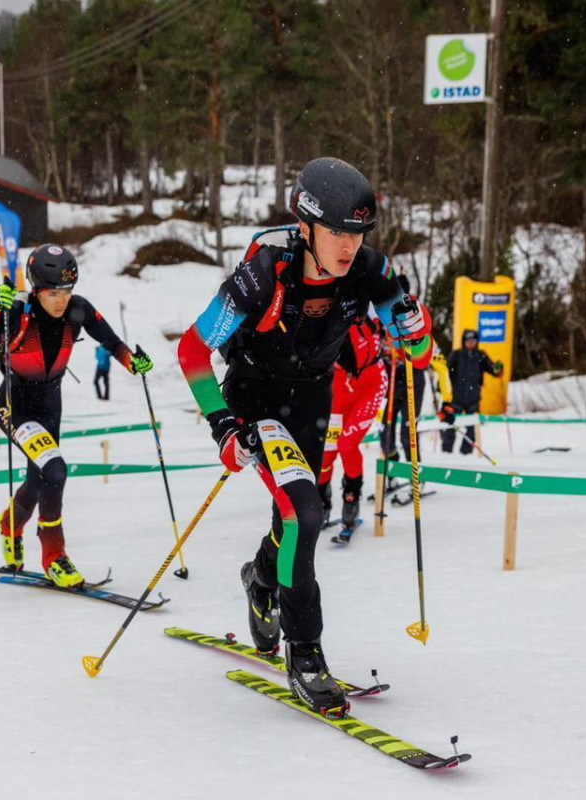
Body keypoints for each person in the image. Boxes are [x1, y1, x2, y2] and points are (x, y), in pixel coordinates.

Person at [176, 157, 432, 714]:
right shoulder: (264, 274)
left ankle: (259, 581)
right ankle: (306, 652)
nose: (348, 245)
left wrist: (417, 333)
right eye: (338, 231)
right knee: (305, 515)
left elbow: (418, 349)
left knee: (295, 519)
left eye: (358, 232)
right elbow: (192, 353)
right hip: (257, 400)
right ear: (307, 225)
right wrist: (223, 426)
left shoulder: (369, 270)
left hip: (312, 400)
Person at [0, 244, 153, 588]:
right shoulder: (17, 309)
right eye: (53, 293)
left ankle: (9, 525)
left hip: (51, 404)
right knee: (55, 469)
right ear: (36, 289)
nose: (61, 300)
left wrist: (132, 362)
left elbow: (112, 343)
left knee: (40, 479)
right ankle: (55, 556)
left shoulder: (78, 310)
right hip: (14, 403)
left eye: (66, 291)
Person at [316, 316, 388, 535]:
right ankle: (321, 497)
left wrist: (401, 301)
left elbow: (395, 300)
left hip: (370, 384)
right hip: (339, 385)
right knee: (327, 449)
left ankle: (351, 495)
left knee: (347, 444)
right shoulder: (324, 305)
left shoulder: (367, 304)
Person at [382, 276, 432, 462]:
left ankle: (415, 474)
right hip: (394, 379)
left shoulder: (412, 312)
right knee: (385, 431)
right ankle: (393, 471)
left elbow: (429, 352)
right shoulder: (381, 316)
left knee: (407, 431)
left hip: (414, 378)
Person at [441, 329, 503, 455]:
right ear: (464, 342)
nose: (470, 343)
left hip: (473, 399)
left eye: (473, 341)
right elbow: (445, 373)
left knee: (471, 430)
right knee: (451, 426)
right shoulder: (456, 355)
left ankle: (466, 454)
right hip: (456, 398)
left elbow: (494, 371)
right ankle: (445, 452)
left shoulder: (481, 356)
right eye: (468, 341)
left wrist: (498, 369)